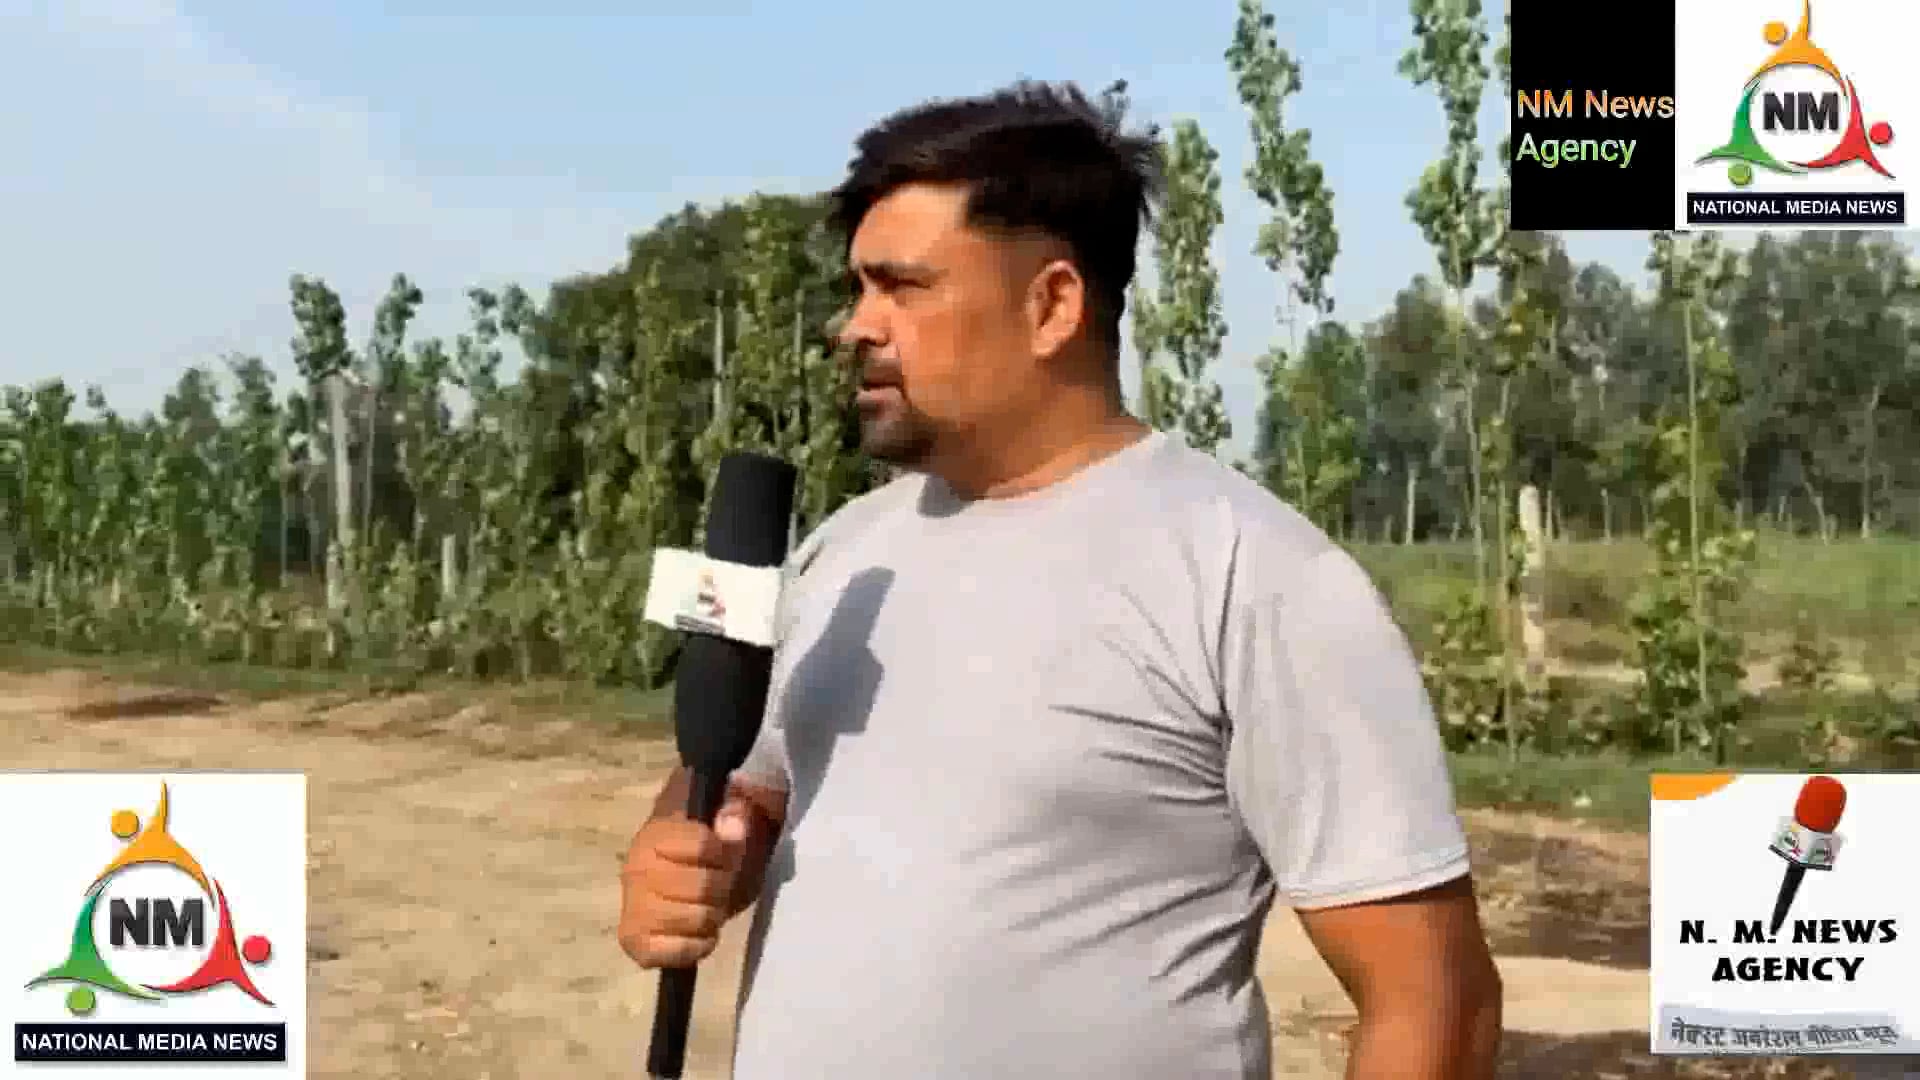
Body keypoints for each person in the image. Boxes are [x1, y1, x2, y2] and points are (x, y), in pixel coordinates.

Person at [618, 80, 1503, 1079]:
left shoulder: (1253, 576)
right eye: (858, 288)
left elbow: (1433, 1000)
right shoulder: (845, 553)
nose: (855, 326)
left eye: (901, 287)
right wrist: (680, 858)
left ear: (1052, 306)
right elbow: (747, 792)